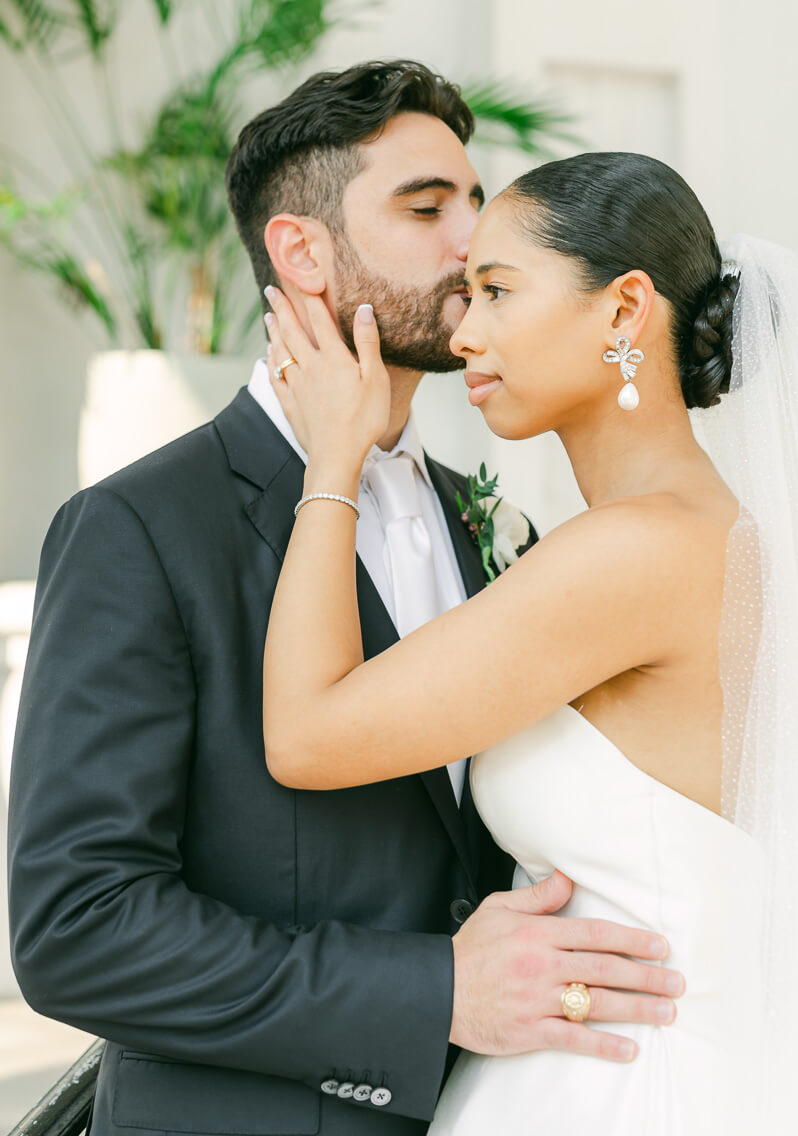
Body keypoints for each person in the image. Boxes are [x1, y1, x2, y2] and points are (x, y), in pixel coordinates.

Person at [7, 65, 681, 1136]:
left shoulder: (493, 523)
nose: (478, 240)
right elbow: (78, 930)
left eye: (476, 201)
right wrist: (433, 993)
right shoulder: (141, 530)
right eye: (428, 209)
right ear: (302, 253)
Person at [260, 150, 798, 1134]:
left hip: (627, 1092)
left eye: (498, 292)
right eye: (466, 295)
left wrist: (331, 459)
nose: (464, 332)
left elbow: (306, 735)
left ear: (625, 311)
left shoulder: (637, 552)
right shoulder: (701, 530)